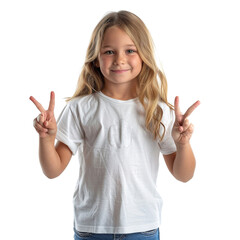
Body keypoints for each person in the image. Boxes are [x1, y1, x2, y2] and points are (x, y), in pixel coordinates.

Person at [30, 10, 200, 240]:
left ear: (144, 55)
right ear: (96, 59)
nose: (119, 59)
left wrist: (183, 145)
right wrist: (46, 139)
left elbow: (184, 175)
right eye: (109, 52)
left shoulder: (158, 111)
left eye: (130, 50)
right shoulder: (81, 107)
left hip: (143, 228)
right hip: (92, 229)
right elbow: (53, 170)